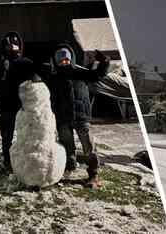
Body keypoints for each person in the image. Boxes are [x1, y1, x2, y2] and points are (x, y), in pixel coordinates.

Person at [45, 43, 109, 188]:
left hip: (81, 116)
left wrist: (104, 62)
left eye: (67, 60)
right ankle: (69, 167)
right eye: (61, 60)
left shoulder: (80, 73)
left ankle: (94, 174)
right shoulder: (53, 78)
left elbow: (97, 75)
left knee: (88, 146)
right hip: (63, 118)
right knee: (67, 145)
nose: (64, 62)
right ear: (56, 61)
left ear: (71, 59)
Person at [0, 31, 35, 173]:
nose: (11, 46)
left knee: (26, 136)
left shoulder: (26, 63)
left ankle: (26, 160)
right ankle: (8, 162)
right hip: (6, 107)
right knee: (7, 137)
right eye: (8, 44)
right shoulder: (2, 63)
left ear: (19, 46)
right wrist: (3, 68)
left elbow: (36, 79)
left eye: (14, 43)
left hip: (24, 107)